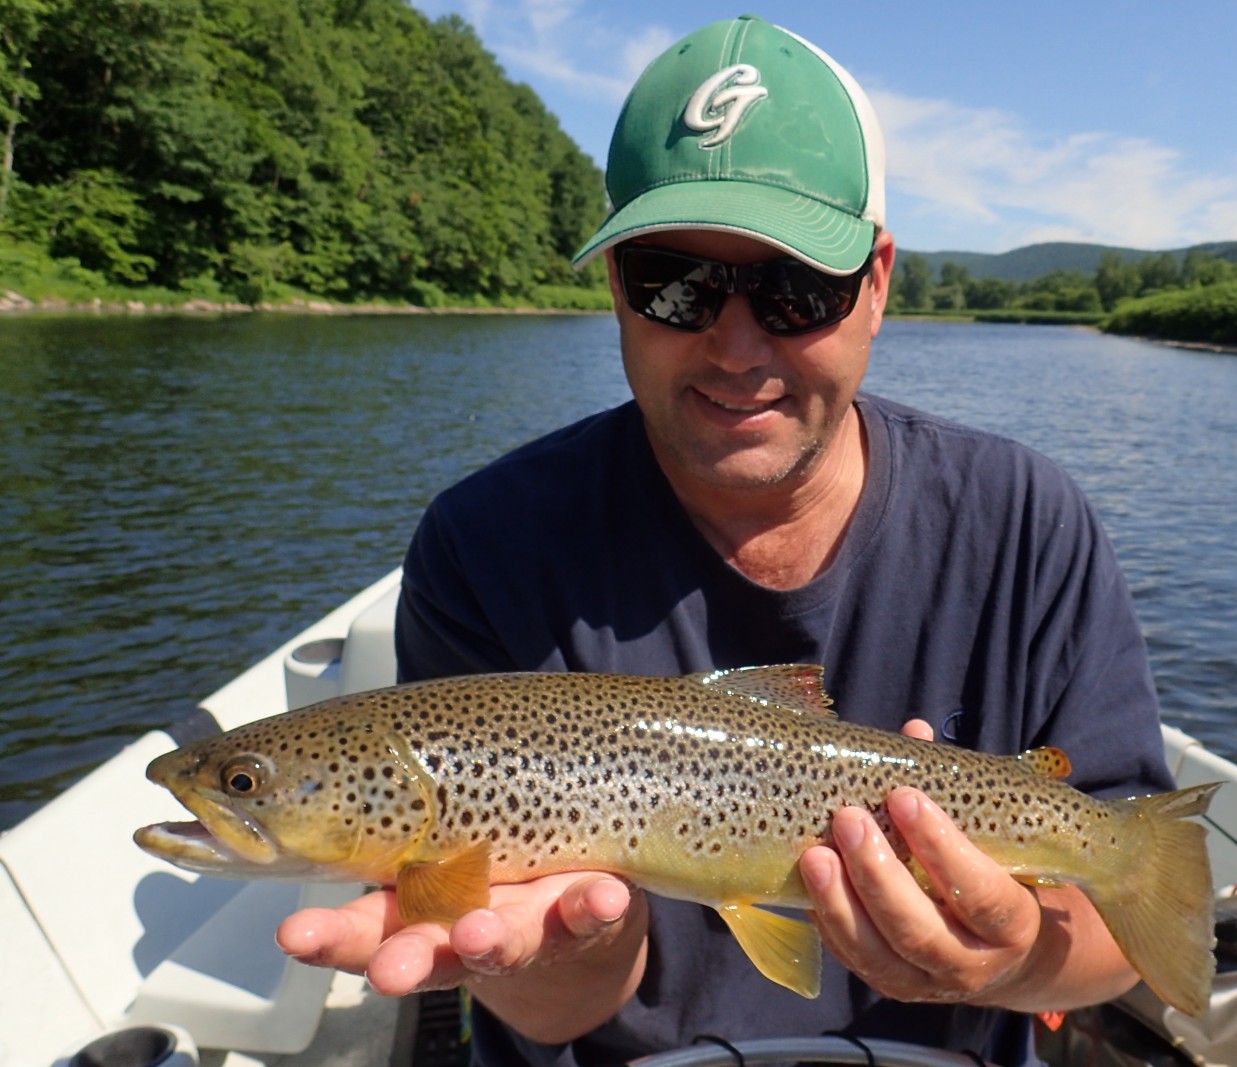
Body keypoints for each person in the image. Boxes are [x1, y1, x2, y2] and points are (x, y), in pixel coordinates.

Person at [276, 15, 1175, 1067]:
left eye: (796, 289)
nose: (737, 344)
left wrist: (1013, 958)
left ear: (876, 284)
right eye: (676, 283)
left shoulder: (1024, 519)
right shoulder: (487, 542)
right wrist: (579, 939)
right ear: (615, 284)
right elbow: (554, 1012)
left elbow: (1126, 924)